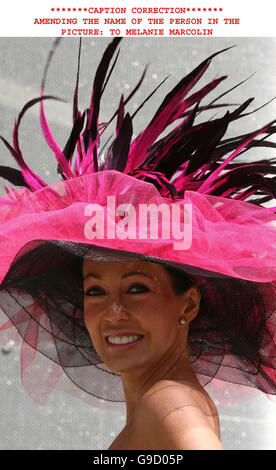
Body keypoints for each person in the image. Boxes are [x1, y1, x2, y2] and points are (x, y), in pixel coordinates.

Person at [0, 37, 275, 450]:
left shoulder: (171, 413)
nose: (113, 311)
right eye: (95, 289)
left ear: (189, 304)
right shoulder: (168, 401)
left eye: (137, 287)